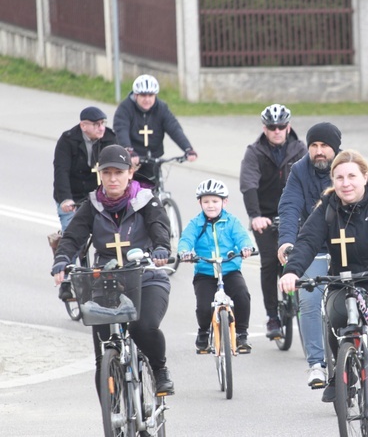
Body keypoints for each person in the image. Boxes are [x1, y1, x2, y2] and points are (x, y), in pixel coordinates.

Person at [278, 150, 368, 437]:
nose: (346, 183)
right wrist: (292, 271)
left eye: (352, 176)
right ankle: (344, 367)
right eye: (339, 177)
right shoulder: (328, 209)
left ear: (364, 177)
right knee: (334, 314)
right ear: (333, 180)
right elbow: (306, 241)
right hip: (347, 285)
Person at [51, 144, 175, 396]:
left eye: (118, 172)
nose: (112, 178)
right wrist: (62, 258)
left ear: (130, 172)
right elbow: (73, 236)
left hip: (146, 277)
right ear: (100, 175)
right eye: (106, 173)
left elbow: (159, 227)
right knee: (103, 351)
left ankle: (160, 370)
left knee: (143, 327)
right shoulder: (93, 205)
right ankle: (113, 415)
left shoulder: (146, 201)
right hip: (107, 281)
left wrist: (161, 249)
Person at [277, 122, 341, 396]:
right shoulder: (299, 171)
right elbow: (290, 206)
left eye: (324, 146)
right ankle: (317, 364)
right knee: (309, 301)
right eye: (314, 146)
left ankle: (357, 354)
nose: (318, 151)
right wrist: (287, 241)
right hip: (311, 245)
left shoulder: (346, 168)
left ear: (335, 148)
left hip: (344, 246)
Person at [240, 103, 307, 339]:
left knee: (301, 261)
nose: (276, 131)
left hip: (296, 214)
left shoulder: (300, 149)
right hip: (265, 217)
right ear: (264, 128)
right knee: (269, 262)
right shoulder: (255, 151)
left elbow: (310, 180)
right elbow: (248, 184)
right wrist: (255, 216)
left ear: (288, 127)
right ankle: (272, 316)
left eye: (281, 126)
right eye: (272, 127)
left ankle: (306, 312)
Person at [177, 179, 255, 354]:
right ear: (200, 203)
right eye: (206, 202)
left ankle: (242, 334)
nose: (210, 205)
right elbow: (186, 239)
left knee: (242, 295)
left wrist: (246, 247)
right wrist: (185, 252)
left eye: (215, 201)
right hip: (205, 272)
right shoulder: (195, 223)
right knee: (204, 307)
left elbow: (242, 236)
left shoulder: (232, 221)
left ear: (224, 202)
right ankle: (203, 332)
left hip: (229, 269)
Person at [52, 106, 117, 300]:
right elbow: (61, 171)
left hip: (100, 195)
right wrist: (65, 199)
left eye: (103, 123)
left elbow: (118, 167)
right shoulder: (68, 140)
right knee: (71, 233)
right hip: (73, 195)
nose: (101, 128)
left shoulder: (109, 138)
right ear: (83, 125)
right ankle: (65, 280)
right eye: (96, 124)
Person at [113, 74, 198, 186]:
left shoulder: (161, 108)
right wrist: (128, 150)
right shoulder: (125, 108)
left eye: (151, 95)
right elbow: (121, 130)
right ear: (136, 95)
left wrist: (188, 148)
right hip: (132, 158)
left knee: (155, 191)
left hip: (153, 158)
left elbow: (174, 128)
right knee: (131, 193)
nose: (147, 99)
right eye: (143, 95)